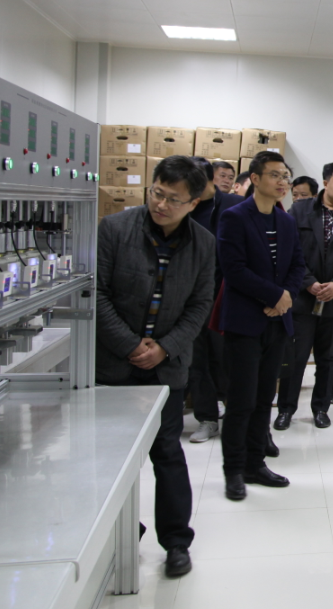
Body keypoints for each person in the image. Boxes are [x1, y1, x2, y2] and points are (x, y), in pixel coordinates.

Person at [96, 155, 215, 578]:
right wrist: (131, 345)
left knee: (167, 454)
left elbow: (200, 304)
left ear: (194, 203)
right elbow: (97, 293)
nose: (161, 204)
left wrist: (165, 348)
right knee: (111, 458)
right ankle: (120, 532)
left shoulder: (203, 243)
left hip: (166, 369)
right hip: (114, 366)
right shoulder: (114, 229)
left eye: (173, 199)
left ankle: (176, 542)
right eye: (157, 193)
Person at [217, 151, 306, 501]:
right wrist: (274, 295)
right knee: (241, 401)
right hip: (245, 321)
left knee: (263, 399)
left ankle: (255, 464)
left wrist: (286, 297)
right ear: (254, 179)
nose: (282, 182)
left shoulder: (286, 221)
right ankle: (234, 471)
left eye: (285, 176)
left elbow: (297, 265)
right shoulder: (234, 217)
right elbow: (234, 269)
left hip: (276, 321)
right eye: (275, 175)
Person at [277, 162, 333, 430]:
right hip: (303, 297)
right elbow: (289, 249)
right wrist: (308, 282)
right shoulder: (300, 210)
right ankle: (286, 409)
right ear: (326, 183)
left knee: (328, 358)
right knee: (295, 357)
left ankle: (321, 409)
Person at [186, 157, 243, 444]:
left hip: (227, 295)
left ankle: (237, 416)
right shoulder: (183, 206)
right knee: (196, 361)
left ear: (210, 179)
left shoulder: (234, 206)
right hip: (191, 297)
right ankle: (207, 418)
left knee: (228, 359)